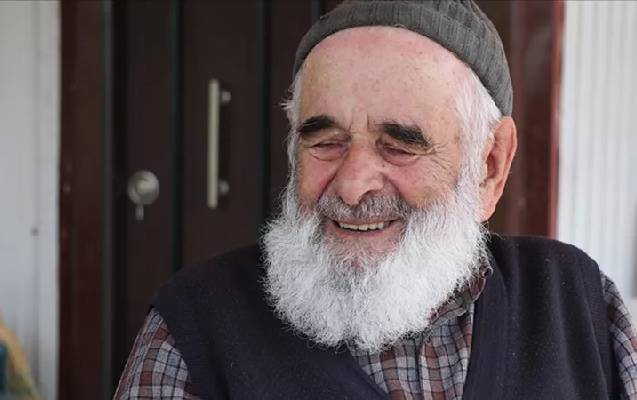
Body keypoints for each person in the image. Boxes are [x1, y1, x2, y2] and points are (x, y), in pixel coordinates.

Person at [114, 1, 637, 399]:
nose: (352, 184)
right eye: (325, 141)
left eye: (399, 145)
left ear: (490, 165)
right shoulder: (196, 330)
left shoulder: (579, 305)